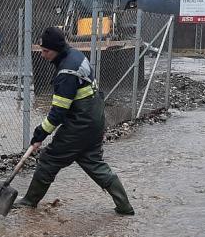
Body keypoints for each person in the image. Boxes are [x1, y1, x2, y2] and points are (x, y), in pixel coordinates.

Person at [13, 27, 134, 215]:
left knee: (49, 159)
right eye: (42, 50)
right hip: (95, 119)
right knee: (93, 162)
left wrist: (40, 133)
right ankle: (125, 206)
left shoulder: (66, 74)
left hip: (81, 123)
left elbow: (58, 113)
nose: (43, 55)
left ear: (57, 49)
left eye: (46, 51)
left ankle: (29, 202)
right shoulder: (76, 56)